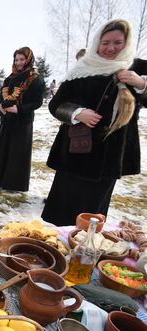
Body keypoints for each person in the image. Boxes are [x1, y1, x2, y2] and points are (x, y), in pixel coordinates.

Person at [42, 19, 146, 226]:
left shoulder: (138, 68)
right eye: (105, 42)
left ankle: (82, 252)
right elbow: (56, 104)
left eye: (117, 42)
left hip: (110, 157)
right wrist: (78, 113)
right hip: (76, 152)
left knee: (91, 217)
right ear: (97, 42)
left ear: (127, 43)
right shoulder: (83, 69)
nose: (110, 48)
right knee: (62, 213)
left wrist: (142, 84)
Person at [0, 47, 45, 192]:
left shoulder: (35, 79)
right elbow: (1, 94)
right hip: (6, 120)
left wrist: (19, 109)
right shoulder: (10, 77)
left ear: (29, 60)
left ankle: (13, 184)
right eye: (16, 59)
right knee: (3, 150)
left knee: (17, 153)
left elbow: (37, 102)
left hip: (22, 121)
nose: (19, 63)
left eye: (22, 59)